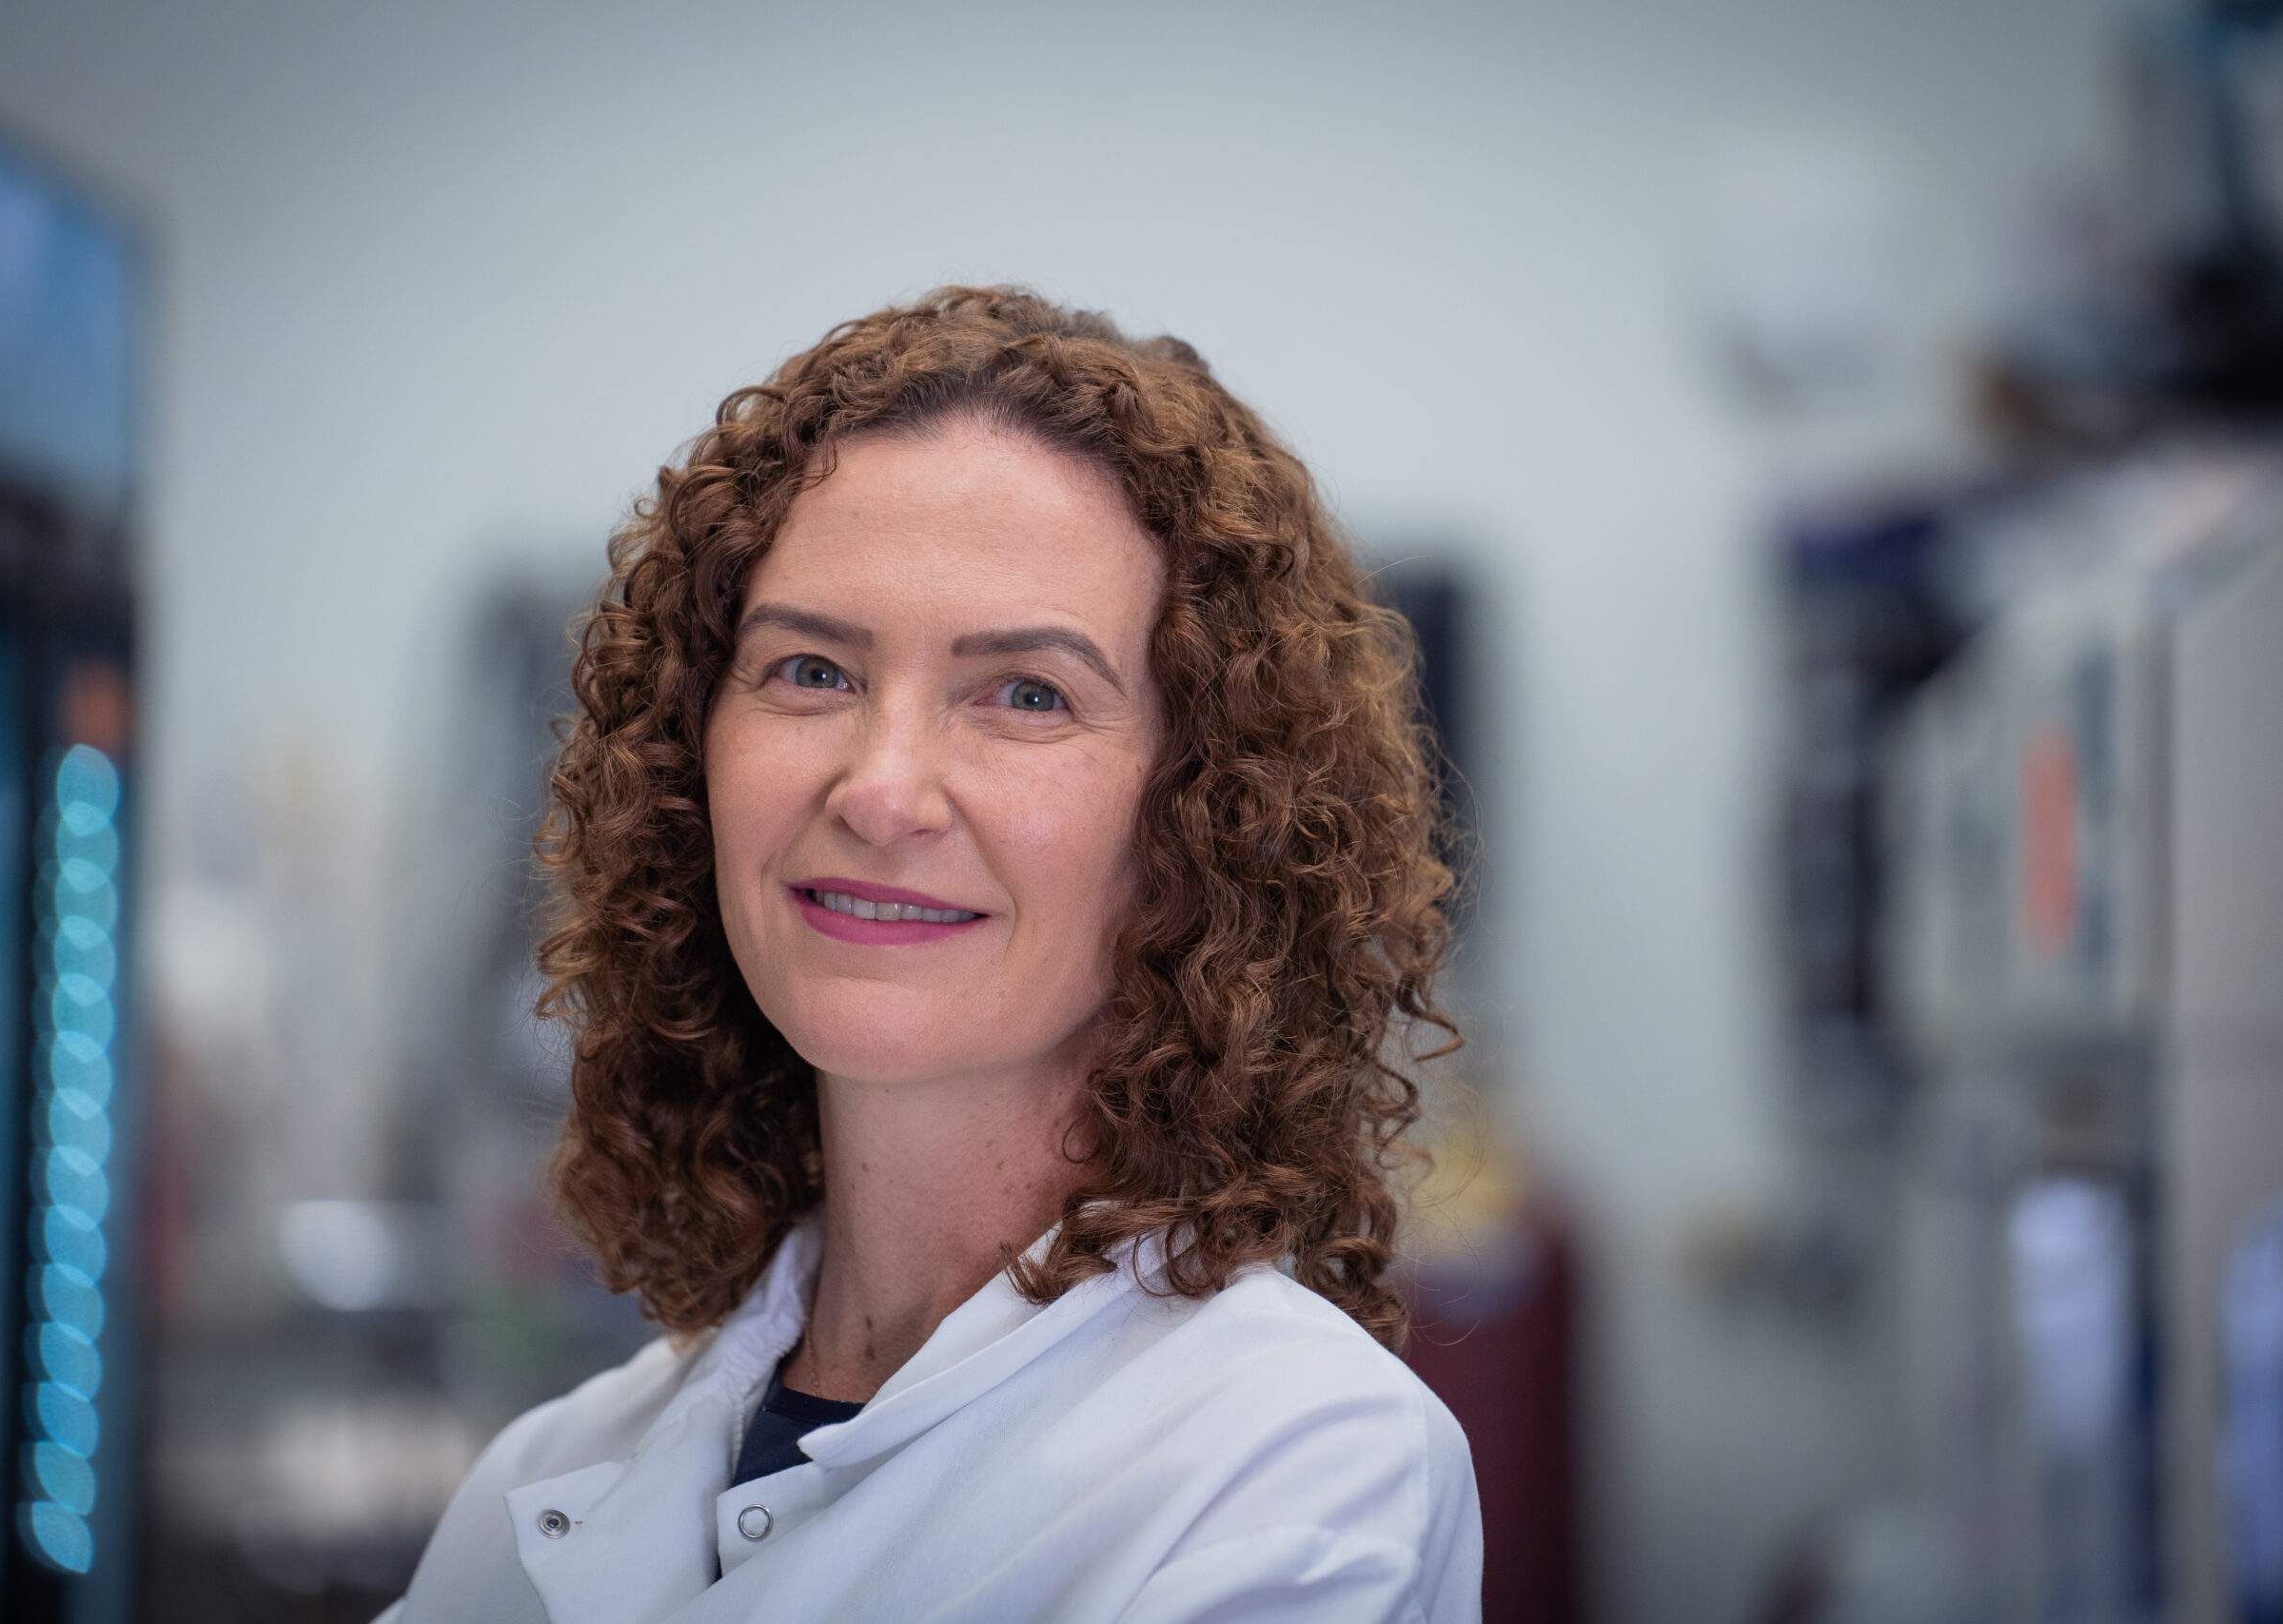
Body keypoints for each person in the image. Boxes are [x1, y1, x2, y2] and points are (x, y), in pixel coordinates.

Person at [377, 284, 1484, 1623]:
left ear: (1211, 816)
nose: (881, 791)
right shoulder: (553, 1473)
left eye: (1027, 694)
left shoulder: (1291, 1468)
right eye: (812, 671)